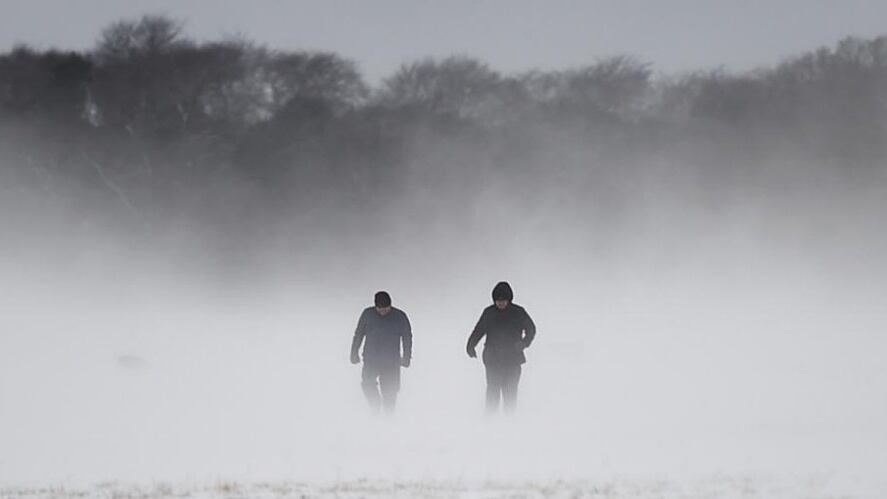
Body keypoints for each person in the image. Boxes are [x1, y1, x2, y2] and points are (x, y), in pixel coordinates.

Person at [466, 281, 536, 414]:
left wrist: (524, 342)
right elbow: (479, 330)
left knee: (510, 394)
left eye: (503, 300)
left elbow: (531, 329)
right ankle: (489, 422)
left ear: (509, 299)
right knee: (492, 391)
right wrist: (471, 345)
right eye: (498, 300)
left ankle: (510, 424)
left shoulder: (518, 312)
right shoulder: (489, 313)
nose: (500, 303)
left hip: (513, 360)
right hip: (492, 360)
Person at [351, 291, 412, 413]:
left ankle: (388, 422)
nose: (383, 311)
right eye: (380, 309)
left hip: (391, 361)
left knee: (390, 391)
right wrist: (354, 352)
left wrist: (406, 357)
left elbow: (407, 338)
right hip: (371, 359)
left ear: (390, 305)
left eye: (386, 309)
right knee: (367, 384)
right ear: (375, 307)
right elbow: (359, 334)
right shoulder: (367, 315)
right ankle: (375, 407)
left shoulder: (400, 317)